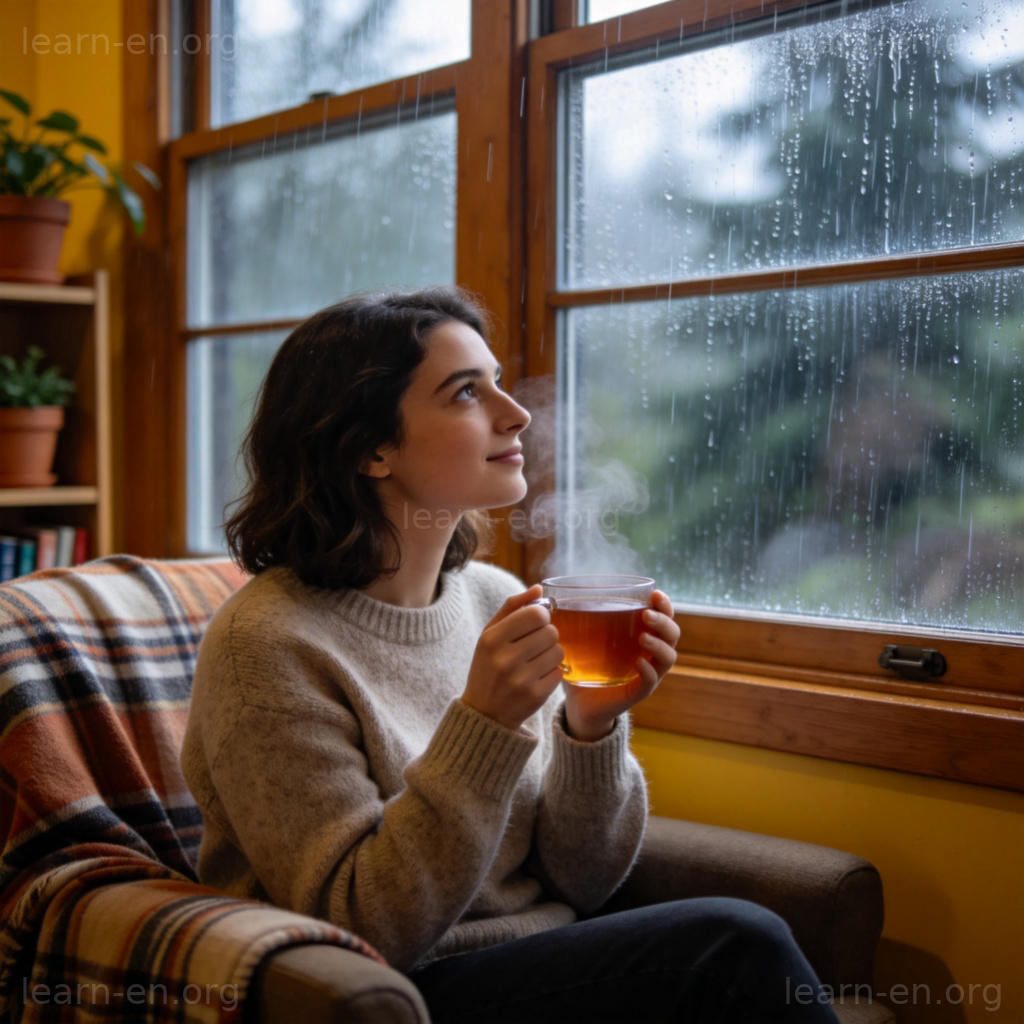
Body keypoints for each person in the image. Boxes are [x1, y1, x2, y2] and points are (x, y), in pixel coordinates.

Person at [181, 287, 839, 1023]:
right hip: (400, 990)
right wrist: (483, 726)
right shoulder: (267, 646)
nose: (515, 412)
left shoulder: (494, 598)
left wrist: (590, 727)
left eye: (498, 380)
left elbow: (583, 883)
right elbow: (362, 925)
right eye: (467, 393)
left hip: (544, 962)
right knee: (731, 946)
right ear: (370, 447)